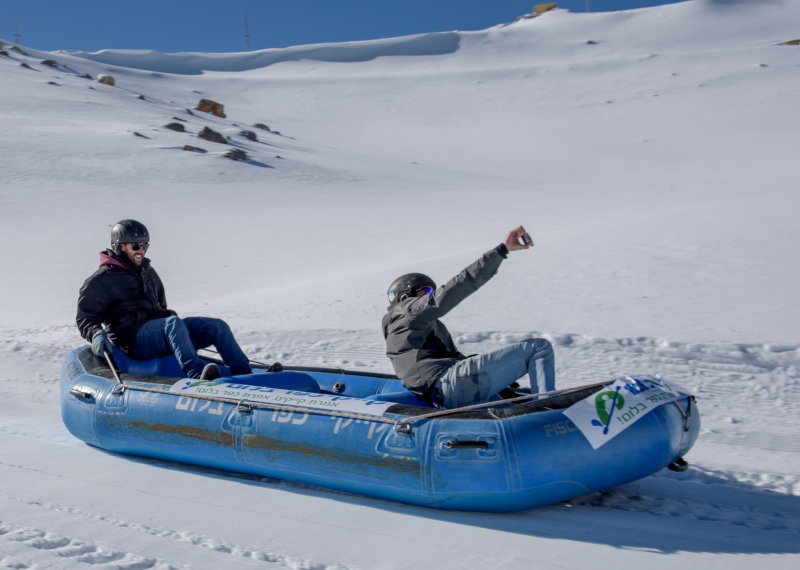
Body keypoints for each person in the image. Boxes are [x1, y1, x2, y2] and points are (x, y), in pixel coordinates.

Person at [381, 226, 555, 409]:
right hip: (448, 383)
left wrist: (498, 376)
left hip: (444, 393)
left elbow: (448, 359)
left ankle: (536, 411)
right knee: (538, 347)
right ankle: (547, 407)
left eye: (432, 291)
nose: (430, 295)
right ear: (404, 295)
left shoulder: (417, 328)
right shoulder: (406, 310)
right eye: (426, 291)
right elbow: (458, 286)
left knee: (514, 407)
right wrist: (502, 250)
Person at [76, 219, 252, 380]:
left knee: (217, 327)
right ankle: (197, 374)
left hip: (161, 332)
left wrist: (171, 331)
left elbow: (161, 304)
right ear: (119, 247)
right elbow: (85, 318)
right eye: (136, 246)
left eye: (145, 246)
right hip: (132, 341)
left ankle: (245, 374)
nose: (141, 251)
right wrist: (96, 334)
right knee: (173, 324)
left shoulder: (147, 271)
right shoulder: (101, 280)